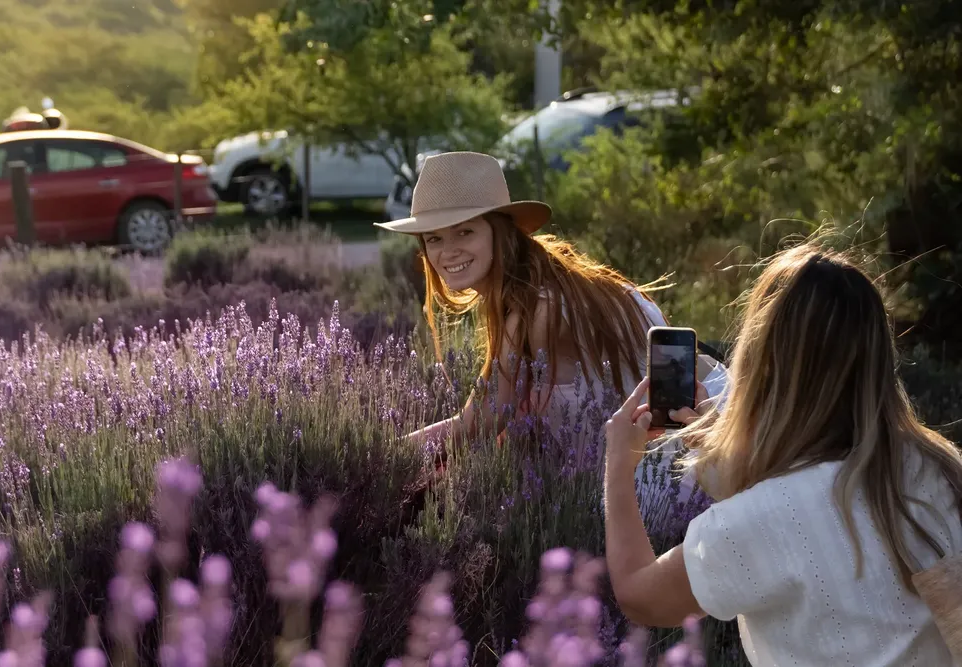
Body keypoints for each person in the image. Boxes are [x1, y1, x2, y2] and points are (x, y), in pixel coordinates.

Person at [603, 242, 962, 665]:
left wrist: (618, 468)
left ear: (762, 364)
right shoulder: (940, 468)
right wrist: (724, 448)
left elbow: (640, 595)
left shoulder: (759, 521)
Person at [375, 150, 728, 493]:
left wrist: (375, 459)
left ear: (502, 233)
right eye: (434, 238)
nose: (447, 250)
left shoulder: (540, 306)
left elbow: (480, 421)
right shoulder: (544, 282)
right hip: (681, 440)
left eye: (464, 232)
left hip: (692, 454)